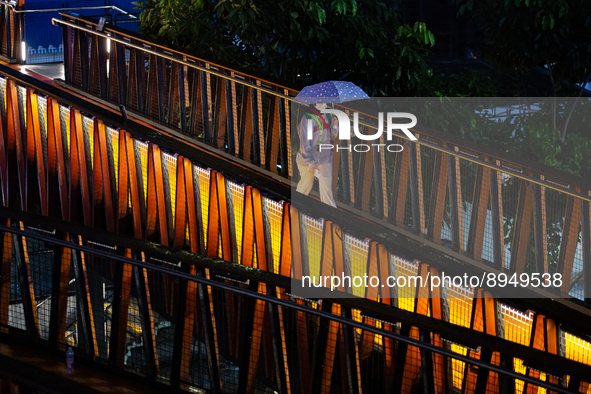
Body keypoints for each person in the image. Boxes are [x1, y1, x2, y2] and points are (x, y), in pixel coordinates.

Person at [295, 103, 338, 208]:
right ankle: (292, 210)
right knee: (306, 186)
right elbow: (304, 143)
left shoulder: (329, 116)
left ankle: (331, 220)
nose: (323, 103)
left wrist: (335, 126)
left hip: (324, 159)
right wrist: (311, 162)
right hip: (307, 160)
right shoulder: (307, 118)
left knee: (326, 191)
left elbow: (332, 137)